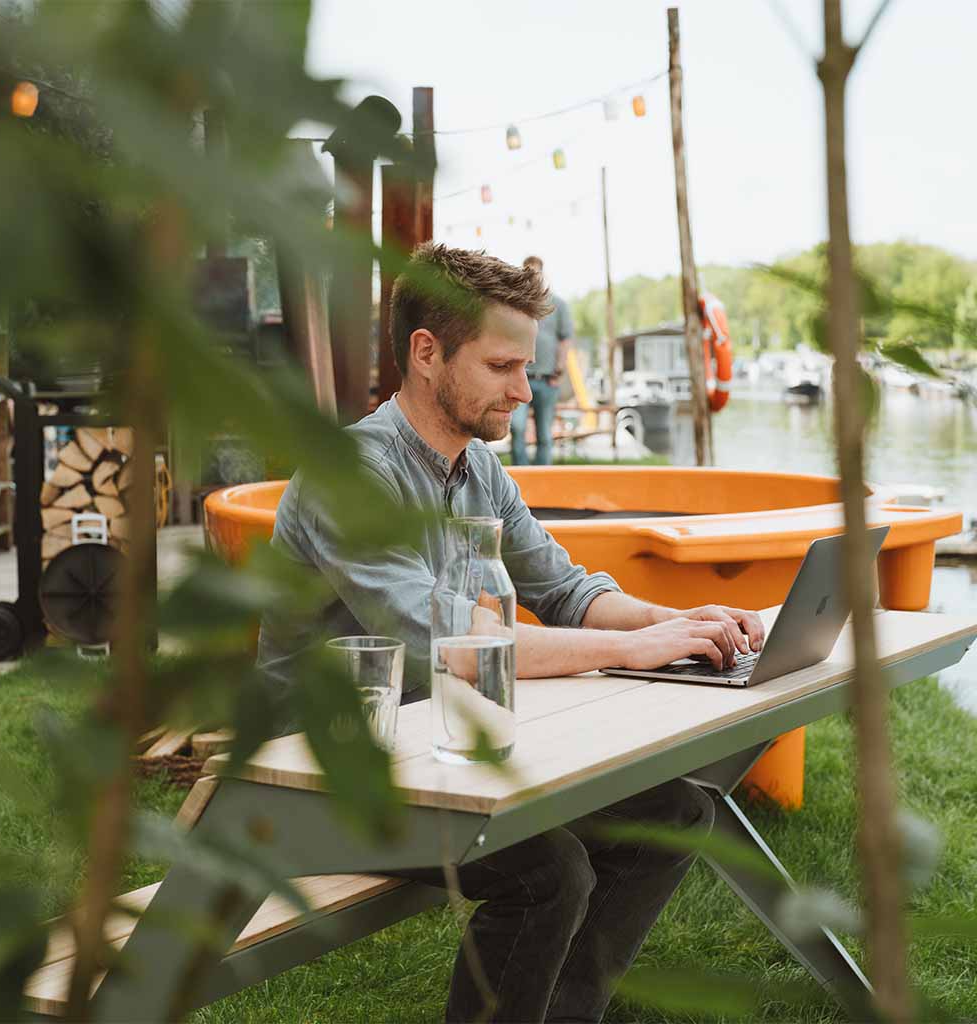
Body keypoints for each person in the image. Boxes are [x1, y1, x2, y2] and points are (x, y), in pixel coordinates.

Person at [258, 243, 764, 1024]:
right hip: (318, 778)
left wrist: (682, 622)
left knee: (672, 815)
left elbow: (564, 591)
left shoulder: (477, 468)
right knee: (549, 871)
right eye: (503, 367)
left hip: (442, 755)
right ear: (427, 354)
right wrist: (634, 650)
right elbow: (459, 644)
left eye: (526, 368)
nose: (525, 391)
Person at [509, 255, 573, 466]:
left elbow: (565, 340)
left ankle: (543, 479)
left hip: (548, 380)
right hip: (521, 378)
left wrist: (559, 370)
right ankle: (521, 478)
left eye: (535, 272)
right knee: (517, 428)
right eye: (527, 272)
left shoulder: (559, 304)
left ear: (542, 274)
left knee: (544, 434)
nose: (532, 277)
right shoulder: (516, 305)